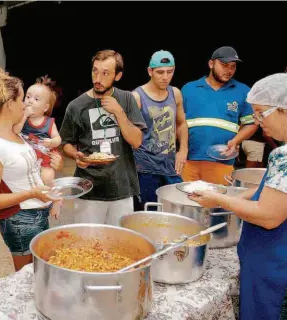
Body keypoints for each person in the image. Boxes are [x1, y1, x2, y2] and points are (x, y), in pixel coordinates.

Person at [188, 73, 287, 320]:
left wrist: (219, 200)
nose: (257, 122)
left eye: (261, 114)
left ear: (283, 110)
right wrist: (223, 195)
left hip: (274, 265)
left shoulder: (283, 156)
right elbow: (271, 193)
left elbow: (268, 215)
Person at [0, 68, 63, 272]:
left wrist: (52, 164)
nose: (25, 105)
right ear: (9, 104)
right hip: (20, 221)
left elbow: (24, 170)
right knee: (25, 280)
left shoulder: (15, 134)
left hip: (38, 213)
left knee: (39, 275)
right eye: (22, 99)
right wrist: (31, 193)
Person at [60, 49, 146, 225]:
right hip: (87, 189)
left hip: (121, 187)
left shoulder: (127, 99)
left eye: (105, 73)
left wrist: (118, 112)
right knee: (88, 243)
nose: (97, 79)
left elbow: (136, 141)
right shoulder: (76, 106)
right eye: (95, 71)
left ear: (118, 76)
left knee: (119, 244)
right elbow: (66, 143)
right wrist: (75, 155)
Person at [181, 46, 258, 185]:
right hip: (188, 161)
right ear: (211, 64)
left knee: (217, 204)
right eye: (224, 65)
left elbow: (252, 123)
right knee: (186, 203)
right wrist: (181, 150)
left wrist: (236, 141)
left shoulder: (243, 91)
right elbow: (178, 123)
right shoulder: (189, 89)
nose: (229, 71)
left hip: (223, 161)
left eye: (233, 67)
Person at [132, 50, 188, 210]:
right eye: (160, 72)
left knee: (176, 210)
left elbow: (181, 123)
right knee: (146, 214)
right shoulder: (137, 96)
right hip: (145, 167)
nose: (165, 77)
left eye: (169, 72)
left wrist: (183, 150)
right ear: (150, 71)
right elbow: (128, 134)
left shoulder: (175, 94)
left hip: (170, 165)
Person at [13, 75, 62, 218]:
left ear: (45, 107)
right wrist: (23, 116)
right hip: (28, 157)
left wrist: (51, 143)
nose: (30, 101)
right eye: (28, 97)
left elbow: (58, 139)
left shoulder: (49, 122)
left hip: (45, 155)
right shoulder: (22, 119)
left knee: (47, 178)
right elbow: (16, 130)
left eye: (36, 99)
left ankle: (57, 199)